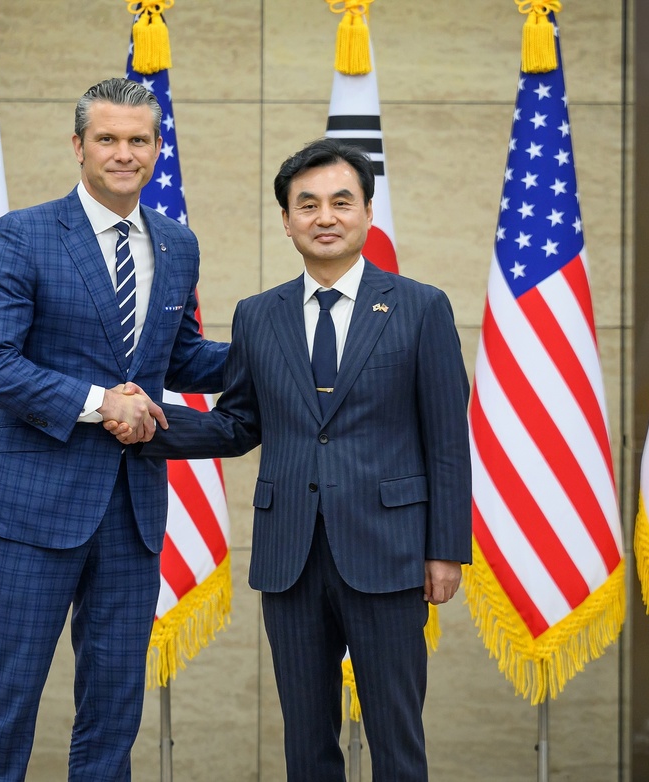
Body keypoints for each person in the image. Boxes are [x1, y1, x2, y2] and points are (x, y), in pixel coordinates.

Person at [123, 138, 471, 780]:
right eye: (306, 204)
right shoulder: (258, 316)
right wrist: (148, 427)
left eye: (342, 201)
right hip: (290, 558)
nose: (325, 217)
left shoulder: (422, 308)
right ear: (286, 220)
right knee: (307, 745)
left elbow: (447, 439)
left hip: (390, 554)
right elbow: (239, 423)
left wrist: (444, 549)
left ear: (367, 213)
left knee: (398, 740)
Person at [0, 77, 228, 782]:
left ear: (158, 150)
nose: (123, 152)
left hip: (132, 513)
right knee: (3, 706)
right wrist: (99, 400)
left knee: (113, 714)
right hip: (30, 510)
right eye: (107, 138)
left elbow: (183, 355)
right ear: (78, 146)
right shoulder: (23, 233)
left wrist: (287, 343)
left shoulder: (177, 243)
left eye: (139, 140)